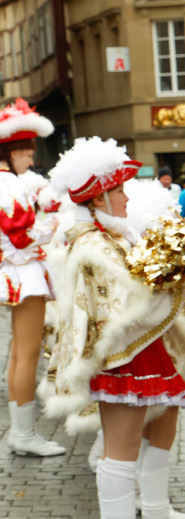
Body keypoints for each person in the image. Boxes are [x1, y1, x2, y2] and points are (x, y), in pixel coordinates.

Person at [47, 137, 185, 519]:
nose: (127, 196)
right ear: (98, 195)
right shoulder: (93, 244)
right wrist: (175, 279)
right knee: (120, 449)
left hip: (132, 355)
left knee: (128, 443)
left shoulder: (105, 236)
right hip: (120, 359)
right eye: (119, 189)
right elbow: (124, 307)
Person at [0, 98, 65, 457]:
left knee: (18, 355)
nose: (31, 158)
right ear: (10, 152)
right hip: (24, 273)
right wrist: (52, 225)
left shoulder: (10, 182)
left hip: (17, 272)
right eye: (25, 152)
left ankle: (21, 432)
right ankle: (23, 435)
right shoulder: (7, 185)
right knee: (26, 355)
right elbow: (21, 236)